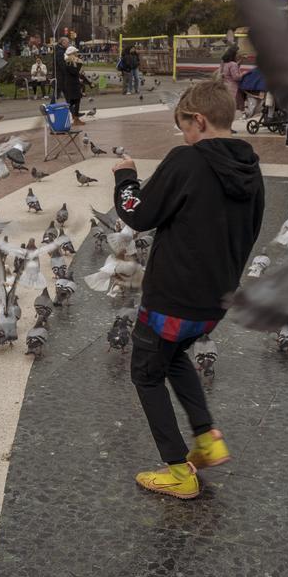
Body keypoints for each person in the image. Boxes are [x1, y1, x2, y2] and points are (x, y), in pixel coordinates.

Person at [111, 80, 265, 498]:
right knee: (174, 354)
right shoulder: (251, 167)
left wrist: (125, 177)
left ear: (199, 120)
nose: (184, 136)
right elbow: (251, 234)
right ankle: (206, 438)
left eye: (185, 126)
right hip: (214, 301)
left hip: (172, 299)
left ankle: (179, 470)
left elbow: (139, 215)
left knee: (145, 374)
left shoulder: (188, 160)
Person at [55, 33, 84, 124]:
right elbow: (70, 70)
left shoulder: (68, 57)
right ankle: (73, 117)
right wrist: (78, 65)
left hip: (70, 81)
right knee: (71, 100)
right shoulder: (64, 57)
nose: (76, 55)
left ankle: (74, 116)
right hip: (68, 81)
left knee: (72, 100)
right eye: (68, 42)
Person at [219, 45, 247, 112]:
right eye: (237, 53)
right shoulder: (233, 64)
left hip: (226, 87)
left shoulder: (224, 63)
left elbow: (228, 72)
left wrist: (239, 62)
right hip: (235, 89)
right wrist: (243, 74)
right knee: (239, 108)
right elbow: (236, 77)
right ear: (234, 54)